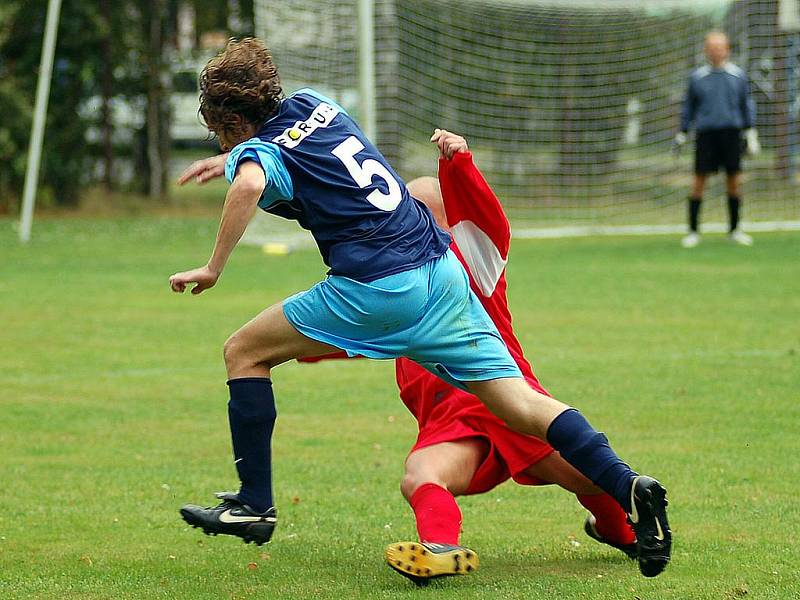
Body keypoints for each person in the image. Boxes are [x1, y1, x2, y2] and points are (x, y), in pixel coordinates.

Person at [171, 37, 671, 578]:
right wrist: (232, 155)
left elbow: (251, 178)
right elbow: (292, 152)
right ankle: (630, 485)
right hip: (442, 273)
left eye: (220, 131)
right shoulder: (316, 103)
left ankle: (254, 504)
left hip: (376, 287)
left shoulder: (255, 154)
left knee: (243, 352)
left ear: (235, 123)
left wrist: (214, 265)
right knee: (524, 405)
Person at [305, 132, 638, 585]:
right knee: (420, 474)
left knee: (591, 477)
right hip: (454, 422)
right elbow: (376, 330)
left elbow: (489, 223)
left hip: (513, 408)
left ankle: (624, 532)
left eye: (415, 211)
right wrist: (313, 345)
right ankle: (440, 547)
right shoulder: (402, 281)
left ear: (441, 221)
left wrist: (460, 166)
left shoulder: (473, 262)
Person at [674, 31, 759, 248]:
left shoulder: (738, 76)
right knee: (698, 182)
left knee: (734, 182)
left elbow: (746, 104)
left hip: (731, 134)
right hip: (706, 134)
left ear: (727, 49)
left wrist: (750, 133)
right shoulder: (697, 77)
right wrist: (682, 132)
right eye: (712, 47)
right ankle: (693, 231)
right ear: (706, 50)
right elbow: (688, 108)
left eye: (719, 47)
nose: (716, 51)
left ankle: (735, 230)